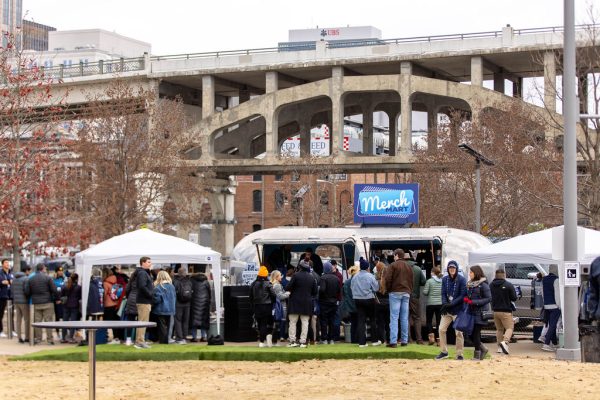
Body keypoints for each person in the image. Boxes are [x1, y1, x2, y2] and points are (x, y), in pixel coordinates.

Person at [435, 260, 467, 360]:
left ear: (456, 269)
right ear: (448, 269)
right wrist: (445, 304)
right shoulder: (445, 279)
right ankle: (444, 351)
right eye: (450, 268)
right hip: (447, 310)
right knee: (441, 329)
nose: (452, 269)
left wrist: (451, 304)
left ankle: (459, 354)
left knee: (458, 332)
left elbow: (462, 295)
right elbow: (443, 293)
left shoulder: (462, 280)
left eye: (453, 268)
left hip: (458, 310)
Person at [384, 249, 413, 348]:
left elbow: (388, 279)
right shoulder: (409, 266)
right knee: (404, 318)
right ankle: (404, 340)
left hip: (395, 292)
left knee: (394, 317)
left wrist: (388, 289)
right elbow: (411, 280)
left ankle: (393, 341)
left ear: (396, 255)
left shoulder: (393, 265)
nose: (393, 257)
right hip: (406, 292)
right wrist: (409, 290)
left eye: (394, 255)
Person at [286, 259, 318, 348]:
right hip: (306, 303)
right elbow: (315, 292)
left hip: (294, 302)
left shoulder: (295, 275)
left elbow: (288, 287)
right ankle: (303, 342)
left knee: (292, 322)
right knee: (305, 323)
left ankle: (292, 341)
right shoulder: (312, 277)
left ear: (299, 267)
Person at [24, 264, 58, 345]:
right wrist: (56, 298)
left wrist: (32, 297)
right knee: (48, 322)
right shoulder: (48, 278)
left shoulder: (31, 279)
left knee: (37, 322)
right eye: (45, 268)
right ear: (43, 269)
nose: (46, 270)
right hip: (47, 302)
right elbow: (54, 289)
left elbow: (27, 292)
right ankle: (50, 339)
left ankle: (38, 338)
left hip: (36, 303)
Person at [351, 258, 380, 348]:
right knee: (372, 319)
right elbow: (376, 288)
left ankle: (362, 343)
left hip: (358, 300)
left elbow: (352, 288)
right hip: (369, 299)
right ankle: (374, 340)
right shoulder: (370, 276)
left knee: (361, 320)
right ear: (367, 267)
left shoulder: (355, 276)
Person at [464, 265, 492, 360]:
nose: (469, 274)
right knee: (470, 335)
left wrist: (473, 302)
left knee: (475, 334)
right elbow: (471, 296)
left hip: (480, 313)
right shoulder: (471, 284)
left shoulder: (483, 284)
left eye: (471, 272)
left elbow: (488, 298)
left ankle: (477, 355)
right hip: (472, 313)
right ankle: (483, 349)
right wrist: (467, 299)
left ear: (476, 273)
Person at [490, 269, 517, 355]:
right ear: (504, 275)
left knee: (499, 329)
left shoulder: (491, 285)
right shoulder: (508, 285)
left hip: (495, 311)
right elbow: (514, 298)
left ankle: (499, 347)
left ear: (496, 275)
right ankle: (505, 342)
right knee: (510, 328)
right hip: (506, 311)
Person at [249, 266, 276, 347]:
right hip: (267, 306)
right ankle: (263, 340)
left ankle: (262, 341)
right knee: (265, 323)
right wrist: (272, 302)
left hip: (257, 306)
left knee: (260, 324)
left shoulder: (253, 284)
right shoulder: (268, 284)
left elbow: (250, 296)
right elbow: (273, 295)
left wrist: (253, 306)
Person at [134, 256, 154, 349]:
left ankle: (141, 340)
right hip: (143, 301)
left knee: (143, 322)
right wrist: (150, 294)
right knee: (142, 322)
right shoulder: (142, 273)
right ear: (143, 263)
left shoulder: (145, 273)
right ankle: (140, 342)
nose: (150, 263)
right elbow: (142, 286)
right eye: (148, 262)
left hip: (145, 300)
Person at [319, 261, 341, 344]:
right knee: (332, 321)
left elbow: (322, 290)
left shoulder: (323, 278)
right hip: (334, 302)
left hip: (324, 302)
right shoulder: (337, 278)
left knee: (324, 321)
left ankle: (324, 338)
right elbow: (339, 291)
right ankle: (331, 339)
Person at [152, 270, 176, 344]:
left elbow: (157, 300)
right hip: (171, 309)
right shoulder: (172, 287)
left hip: (160, 310)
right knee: (169, 327)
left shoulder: (158, 287)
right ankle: (168, 340)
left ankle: (163, 342)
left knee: (162, 328)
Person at [541, 265, 561, 352]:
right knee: (553, 325)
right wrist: (559, 305)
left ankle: (554, 343)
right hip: (554, 306)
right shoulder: (556, 279)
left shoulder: (544, 279)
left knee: (550, 324)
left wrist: (545, 303)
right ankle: (546, 343)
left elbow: (542, 293)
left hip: (546, 305)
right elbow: (557, 294)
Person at [423, 266, 443, 346]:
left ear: (433, 273)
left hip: (430, 304)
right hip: (440, 304)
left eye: (431, 272)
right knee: (439, 322)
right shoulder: (442, 281)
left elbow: (425, 292)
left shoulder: (429, 281)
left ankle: (431, 338)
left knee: (429, 321)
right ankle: (439, 340)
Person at [173, 266, 192, 344]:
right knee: (185, 321)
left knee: (178, 320)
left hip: (178, 303)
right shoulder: (189, 281)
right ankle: (184, 337)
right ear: (185, 273)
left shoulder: (175, 281)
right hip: (187, 303)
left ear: (178, 273)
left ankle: (179, 338)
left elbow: (174, 293)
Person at [409, 255, 426, 344]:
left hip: (404, 296)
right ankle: (419, 339)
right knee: (417, 318)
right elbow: (423, 281)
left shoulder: (401, 267)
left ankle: (408, 338)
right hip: (415, 297)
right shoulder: (418, 269)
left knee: (406, 318)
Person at [190, 272, 211, 343]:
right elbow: (209, 293)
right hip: (204, 303)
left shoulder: (191, 281)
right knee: (203, 321)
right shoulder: (206, 282)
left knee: (194, 321)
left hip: (194, 303)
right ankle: (204, 337)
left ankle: (194, 337)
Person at [11, 267, 30, 343]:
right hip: (24, 302)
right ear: (26, 271)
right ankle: (27, 337)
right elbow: (27, 291)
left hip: (16, 301)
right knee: (27, 320)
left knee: (18, 320)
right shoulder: (26, 279)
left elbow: (12, 290)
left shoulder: (14, 279)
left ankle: (19, 337)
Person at [340, 265, 359, 343]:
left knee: (353, 324)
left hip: (349, 306)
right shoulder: (358, 282)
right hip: (357, 305)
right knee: (358, 323)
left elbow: (344, 295)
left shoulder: (346, 282)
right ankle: (358, 339)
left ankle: (353, 340)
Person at [102, 267, 121, 344]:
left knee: (106, 322)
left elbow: (104, 294)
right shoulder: (115, 280)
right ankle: (117, 337)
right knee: (115, 322)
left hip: (108, 305)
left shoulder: (105, 283)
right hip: (116, 304)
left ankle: (105, 337)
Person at [270, 270, 289, 345]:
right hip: (281, 306)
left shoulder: (273, 284)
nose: (281, 277)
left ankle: (276, 338)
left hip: (278, 306)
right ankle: (281, 336)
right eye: (280, 275)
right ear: (277, 277)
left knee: (277, 322)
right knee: (282, 321)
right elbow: (280, 296)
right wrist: (288, 293)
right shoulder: (277, 285)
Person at [61, 273, 81, 343]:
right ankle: (70, 337)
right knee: (73, 322)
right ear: (77, 279)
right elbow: (79, 297)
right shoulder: (78, 287)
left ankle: (63, 337)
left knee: (65, 322)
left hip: (66, 305)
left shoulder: (65, 286)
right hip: (74, 306)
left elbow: (62, 294)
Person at [374, 261, 390, 344]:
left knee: (380, 323)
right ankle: (389, 339)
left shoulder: (375, 278)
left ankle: (381, 339)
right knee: (388, 323)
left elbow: (373, 290)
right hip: (388, 303)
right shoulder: (388, 279)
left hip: (378, 303)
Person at [0, 259, 14, 338]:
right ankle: (0, 330)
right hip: (2, 296)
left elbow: (12, 281)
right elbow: (2, 282)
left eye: (8, 262)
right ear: (2, 264)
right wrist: (7, 282)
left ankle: (12, 330)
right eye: (6, 262)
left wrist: (7, 281)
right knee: (0, 314)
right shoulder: (0, 272)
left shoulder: (11, 273)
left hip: (10, 296)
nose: (8, 264)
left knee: (11, 314)